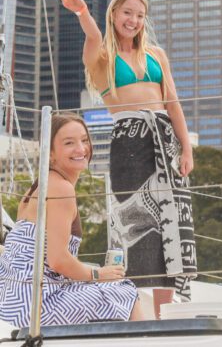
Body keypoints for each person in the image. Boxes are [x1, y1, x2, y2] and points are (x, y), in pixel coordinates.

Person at [48, 0, 197, 315]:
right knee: (138, 226)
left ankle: (165, 313)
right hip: (129, 141)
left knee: (170, 229)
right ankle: (132, 308)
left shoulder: (156, 55)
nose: (133, 20)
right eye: (127, 12)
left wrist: (186, 149)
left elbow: (172, 103)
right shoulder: (101, 56)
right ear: (113, 14)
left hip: (165, 140)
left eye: (140, 15)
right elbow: (91, 36)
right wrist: (82, 12)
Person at [0, 113, 143, 326]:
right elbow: (57, 260)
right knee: (125, 290)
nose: (81, 149)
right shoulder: (61, 189)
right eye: (69, 143)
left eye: (84, 140)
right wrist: (98, 274)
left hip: (11, 299)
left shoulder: (36, 189)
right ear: (50, 153)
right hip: (36, 306)